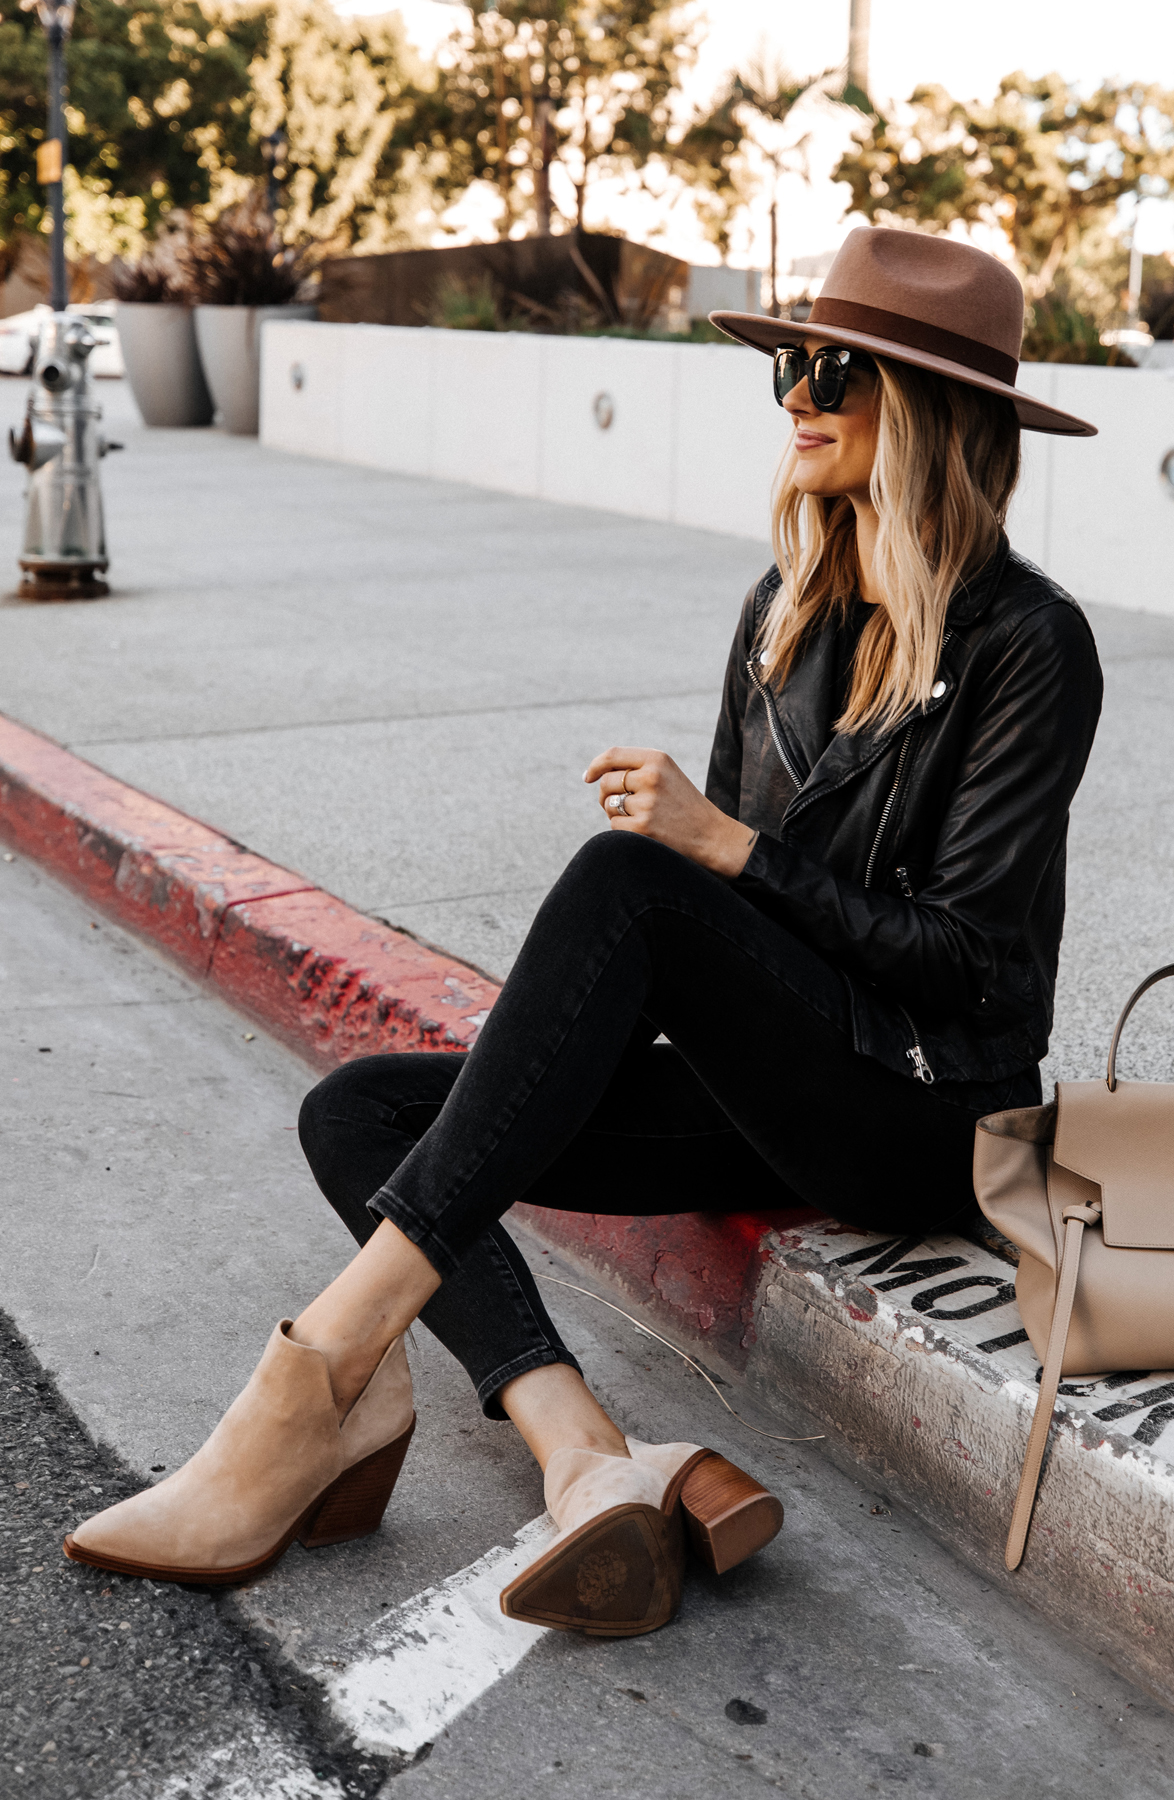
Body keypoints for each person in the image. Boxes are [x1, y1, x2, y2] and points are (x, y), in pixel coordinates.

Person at [64, 228, 1103, 1638]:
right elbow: (731, 942)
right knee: (364, 1117)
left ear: (925, 415)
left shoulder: (1030, 645)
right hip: (781, 1084)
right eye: (790, 363)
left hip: (926, 1121)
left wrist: (719, 850)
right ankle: (587, 1458)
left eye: (832, 371)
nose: (796, 391)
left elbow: (976, 968)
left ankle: (316, 1383)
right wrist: (569, 1033)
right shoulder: (780, 617)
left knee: (636, 879)